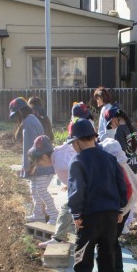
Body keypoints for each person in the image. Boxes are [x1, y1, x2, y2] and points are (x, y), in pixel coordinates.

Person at [67, 118, 127, 272]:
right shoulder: (109, 158)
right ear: (93, 137)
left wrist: (76, 214)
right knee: (107, 250)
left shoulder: (78, 160)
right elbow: (121, 185)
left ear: (77, 141)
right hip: (110, 214)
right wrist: (120, 208)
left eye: (72, 143)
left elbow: (76, 189)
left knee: (84, 252)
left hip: (89, 215)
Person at [38, 103, 93, 249]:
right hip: (87, 188)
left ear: (44, 157)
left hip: (88, 189)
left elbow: (77, 166)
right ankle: (64, 237)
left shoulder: (59, 162)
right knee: (74, 210)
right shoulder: (58, 154)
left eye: (38, 162)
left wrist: (75, 185)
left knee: (68, 208)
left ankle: (59, 238)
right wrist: (69, 184)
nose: (39, 165)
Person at [100, 138, 137, 272]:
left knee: (112, 240)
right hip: (121, 207)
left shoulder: (117, 166)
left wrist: (119, 211)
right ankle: (108, 268)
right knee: (108, 240)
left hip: (121, 208)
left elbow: (127, 190)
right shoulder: (120, 163)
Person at [102, 105, 137, 175]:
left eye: (110, 123)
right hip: (135, 167)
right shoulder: (134, 128)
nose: (111, 127)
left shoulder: (119, 131)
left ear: (115, 119)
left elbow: (120, 152)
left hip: (125, 170)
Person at [26, 135, 59, 225]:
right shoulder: (43, 158)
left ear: (44, 157)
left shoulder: (51, 161)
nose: (37, 163)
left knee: (41, 190)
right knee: (34, 190)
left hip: (45, 172)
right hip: (38, 172)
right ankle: (38, 215)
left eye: (38, 161)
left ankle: (54, 215)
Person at [10, 97, 44, 180]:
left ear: (20, 112)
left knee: (36, 189)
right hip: (39, 165)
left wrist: (26, 168)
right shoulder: (31, 119)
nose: (16, 118)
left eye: (16, 115)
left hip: (37, 169)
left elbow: (28, 147)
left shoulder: (28, 123)